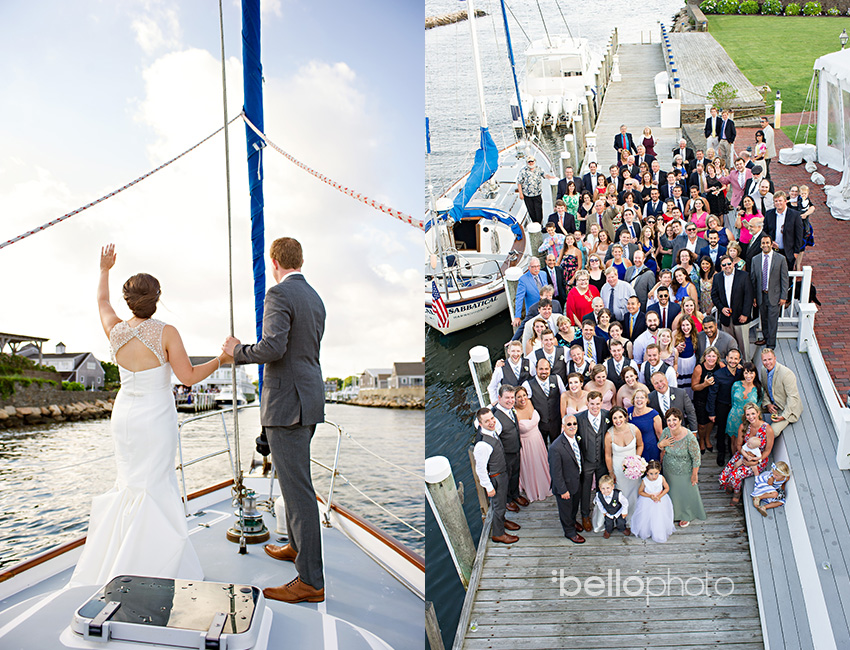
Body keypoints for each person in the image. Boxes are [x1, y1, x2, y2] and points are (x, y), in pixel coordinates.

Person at [71, 245, 226, 588]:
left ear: (129, 301)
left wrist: (104, 269)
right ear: (157, 298)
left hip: (125, 416)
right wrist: (221, 360)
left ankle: (119, 557)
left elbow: (101, 302)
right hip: (156, 417)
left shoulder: (116, 330)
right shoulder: (166, 332)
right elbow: (187, 377)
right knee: (156, 485)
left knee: (129, 483)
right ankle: (153, 562)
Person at [224, 237, 326, 603]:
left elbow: (273, 348)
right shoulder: (315, 297)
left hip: (287, 406)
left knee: (299, 494)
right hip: (309, 401)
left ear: (274, 262)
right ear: (300, 259)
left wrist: (236, 351)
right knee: (293, 483)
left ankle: (311, 582)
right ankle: (298, 549)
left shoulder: (278, 295)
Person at [473, 409, 520, 544]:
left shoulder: (493, 431)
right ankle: (498, 534)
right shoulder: (482, 445)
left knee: (502, 502)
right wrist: (489, 487)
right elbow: (480, 469)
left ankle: (503, 521)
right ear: (480, 424)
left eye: (492, 418)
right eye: (486, 421)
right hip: (495, 478)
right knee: (498, 506)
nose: (491, 422)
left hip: (502, 473)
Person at [657, 408, 706, 527]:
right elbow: (660, 447)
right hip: (669, 468)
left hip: (685, 470)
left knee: (685, 492)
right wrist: (661, 445)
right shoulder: (666, 432)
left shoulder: (689, 437)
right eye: (669, 420)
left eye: (674, 419)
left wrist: (694, 474)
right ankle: (672, 513)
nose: (671, 423)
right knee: (671, 491)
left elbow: (696, 457)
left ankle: (686, 514)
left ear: (680, 420)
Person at [719, 404, 775, 505]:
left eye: (753, 413)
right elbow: (739, 445)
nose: (751, 417)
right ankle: (732, 484)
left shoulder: (767, 429)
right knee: (724, 474)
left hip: (758, 459)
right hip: (743, 454)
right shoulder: (743, 427)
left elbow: (767, 450)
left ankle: (737, 493)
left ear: (758, 413)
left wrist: (756, 460)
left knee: (734, 476)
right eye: (748, 415)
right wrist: (745, 456)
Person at [549, 415, 586, 543]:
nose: (572, 426)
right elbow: (555, 473)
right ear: (563, 427)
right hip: (564, 486)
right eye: (569, 424)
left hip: (576, 481)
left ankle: (573, 521)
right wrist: (563, 490)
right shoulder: (556, 447)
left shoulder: (576, 438)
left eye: (574, 424)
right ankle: (569, 532)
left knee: (574, 506)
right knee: (565, 510)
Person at [576, 392, 610, 532]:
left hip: (603, 460)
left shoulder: (608, 416)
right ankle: (585, 515)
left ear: (601, 403)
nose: (595, 406)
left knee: (603, 488)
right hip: (587, 461)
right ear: (587, 403)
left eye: (597, 403)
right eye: (592, 403)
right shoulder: (579, 418)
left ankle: (602, 513)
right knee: (585, 489)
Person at [514, 386, 553, 503]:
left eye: (524, 395)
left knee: (542, 463)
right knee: (532, 465)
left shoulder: (530, 402)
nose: (522, 399)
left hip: (538, 439)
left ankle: (548, 483)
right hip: (526, 444)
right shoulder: (514, 412)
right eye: (519, 397)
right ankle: (535, 488)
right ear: (514, 399)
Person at [491, 385, 526, 512]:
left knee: (515, 474)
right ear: (499, 398)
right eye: (507, 398)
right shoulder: (495, 417)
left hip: (515, 450)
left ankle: (515, 494)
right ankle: (508, 500)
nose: (510, 400)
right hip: (505, 455)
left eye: (512, 397)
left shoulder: (510, 409)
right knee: (506, 478)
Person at [750, 234, 788, 348]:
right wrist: (754, 297)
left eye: (767, 243)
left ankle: (771, 345)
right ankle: (766, 338)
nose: (765, 245)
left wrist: (783, 296)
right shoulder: (755, 259)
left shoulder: (780, 259)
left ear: (772, 244)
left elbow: (784, 279)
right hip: (761, 295)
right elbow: (753, 280)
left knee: (772, 321)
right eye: (763, 243)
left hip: (775, 295)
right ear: (760, 245)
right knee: (764, 319)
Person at [707, 348, 743, 467]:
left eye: (735, 358)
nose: (733, 361)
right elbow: (712, 395)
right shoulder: (718, 374)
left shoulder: (741, 373)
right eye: (731, 358)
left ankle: (733, 453)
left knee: (734, 430)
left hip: (736, 406)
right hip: (722, 405)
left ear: (739, 360)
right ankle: (721, 452)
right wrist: (711, 412)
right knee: (721, 430)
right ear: (726, 358)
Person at [711, 255, 753, 354]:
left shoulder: (744, 276)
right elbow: (714, 296)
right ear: (721, 266)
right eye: (724, 265)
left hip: (740, 317)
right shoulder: (717, 277)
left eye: (729, 264)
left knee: (744, 346)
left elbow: (749, 296)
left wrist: (745, 314)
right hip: (726, 318)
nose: (727, 266)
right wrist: (721, 308)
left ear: (733, 263)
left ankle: (746, 365)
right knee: (729, 345)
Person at [604, 405, 644, 507]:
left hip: (634, 467)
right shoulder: (609, 435)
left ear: (625, 417)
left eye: (620, 417)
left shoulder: (634, 429)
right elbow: (608, 456)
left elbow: (640, 445)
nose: (618, 420)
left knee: (635, 491)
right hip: (618, 469)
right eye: (615, 418)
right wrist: (611, 473)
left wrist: (636, 461)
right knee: (622, 492)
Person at [759, 348, 802, 435]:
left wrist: (783, 416)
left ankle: (764, 448)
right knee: (750, 412)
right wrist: (767, 404)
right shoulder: (763, 369)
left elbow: (793, 397)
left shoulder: (786, 374)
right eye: (764, 360)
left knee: (772, 432)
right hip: (773, 404)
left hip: (785, 409)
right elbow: (763, 388)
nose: (767, 363)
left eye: (770, 359)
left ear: (775, 358)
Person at [523, 358, 566, 445]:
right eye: (541, 369)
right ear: (536, 369)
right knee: (541, 448)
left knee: (558, 446)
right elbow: (526, 405)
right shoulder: (527, 384)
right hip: (539, 424)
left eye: (546, 369)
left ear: (550, 369)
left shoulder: (557, 379)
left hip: (556, 421)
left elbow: (564, 397)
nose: (544, 371)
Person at [630, 460, 674, 543]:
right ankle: (647, 531)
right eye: (651, 473)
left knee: (659, 516)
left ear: (659, 471)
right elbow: (640, 492)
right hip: (647, 500)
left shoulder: (661, 478)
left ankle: (659, 532)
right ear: (647, 472)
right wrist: (650, 496)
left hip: (660, 499)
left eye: (656, 473)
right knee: (647, 516)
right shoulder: (645, 481)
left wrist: (659, 496)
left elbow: (667, 488)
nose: (654, 476)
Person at [691, 346, 723, 453]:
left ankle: (707, 438)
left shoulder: (720, 366)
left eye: (714, 356)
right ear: (704, 357)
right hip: (701, 399)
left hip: (714, 400)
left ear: (717, 357)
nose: (711, 358)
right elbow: (694, 387)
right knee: (702, 424)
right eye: (709, 356)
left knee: (711, 421)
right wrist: (705, 384)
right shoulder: (699, 368)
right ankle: (701, 441)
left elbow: (731, 370)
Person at [726, 362, 763, 453]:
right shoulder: (736, 385)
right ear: (743, 374)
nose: (748, 375)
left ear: (755, 374)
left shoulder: (758, 389)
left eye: (751, 373)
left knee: (747, 443)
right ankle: (733, 460)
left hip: (749, 420)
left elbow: (758, 406)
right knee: (734, 442)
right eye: (746, 373)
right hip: (734, 417)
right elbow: (732, 400)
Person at [764, 191, 804, 272]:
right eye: (776, 201)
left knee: (786, 277)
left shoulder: (795, 215)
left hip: (788, 252)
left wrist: (796, 253)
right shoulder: (769, 214)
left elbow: (799, 235)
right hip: (773, 251)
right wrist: (770, 242)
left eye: (780, 200)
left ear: (785, 201)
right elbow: (765, 232)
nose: (778, 203)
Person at [629, 387, 663, 462]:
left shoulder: (654, 415)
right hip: (634, 449)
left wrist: (663, 451)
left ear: (646, 400)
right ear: (633, 400)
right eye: (636, 397)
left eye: (642, 397)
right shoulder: (629, 412)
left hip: (650, 449)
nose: (639, 400)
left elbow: (659, 434)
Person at [516, 156, 554, 224]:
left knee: (538, 210)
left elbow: (545, 175)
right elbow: (519, 183)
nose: (531, 163)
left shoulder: (539, 169)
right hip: (527, 195)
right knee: (531, 211)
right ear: (527, 162)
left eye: (532, 161)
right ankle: (535, 223)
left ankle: (540, 223)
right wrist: (520, 193)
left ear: (534, 161)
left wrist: (551, 177)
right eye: (529, 162)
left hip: (537, 194)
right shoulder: (523, 171)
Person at [513, 258, 546, 327]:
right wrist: (517, 316)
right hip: (533, 312)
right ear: (529, 267)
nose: (536, 269)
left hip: (545, 310)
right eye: (533, 267)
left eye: (538, 266)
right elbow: (519, 298)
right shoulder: (523, 279)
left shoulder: (543, 274)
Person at [674, 316, 698, 396]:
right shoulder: (676, 335)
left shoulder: (695, 335)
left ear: (691, 325)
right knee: (681, 384)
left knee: (690, 383)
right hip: (680, 362)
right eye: (683, 325)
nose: (685, 328)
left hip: (691, 362)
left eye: (687, 325)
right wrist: (676, 349)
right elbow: (669, 350)